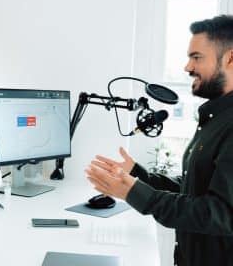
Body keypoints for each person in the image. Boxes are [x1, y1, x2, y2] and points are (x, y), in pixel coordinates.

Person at [85, 14, 233, 266]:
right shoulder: (215, 117)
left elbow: (221, 214)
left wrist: (135, 193)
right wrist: (137, 175)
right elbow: (193, 187)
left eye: (196, 57)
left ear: (230, 58)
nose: (187, 67)